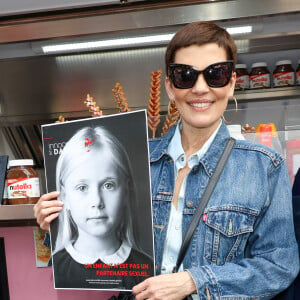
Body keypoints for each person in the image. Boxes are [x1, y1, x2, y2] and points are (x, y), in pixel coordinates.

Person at [34, 21, 299, 299]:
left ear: (231, 83)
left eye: (215, 74)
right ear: (171, 88)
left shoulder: (265, 167)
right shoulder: (135, 160)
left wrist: (194, 281)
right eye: (185, 75)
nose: (200, 88)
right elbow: (101, 252)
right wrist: (56, 223)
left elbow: (279, 266)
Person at [36, 126, 153, 290]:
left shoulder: (149, 267)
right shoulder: (55, 268)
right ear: (64, 196)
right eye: (82, 187)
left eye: (108, 185)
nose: (97, 201)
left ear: (126, 191)